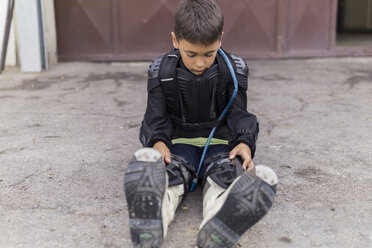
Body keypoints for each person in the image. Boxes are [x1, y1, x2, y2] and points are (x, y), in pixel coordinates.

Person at [124, 0, 278, 247]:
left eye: (209, 54)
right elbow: (155, 117)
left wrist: (244, 144)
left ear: (220, 40)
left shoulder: (234, 70)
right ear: (175, 40)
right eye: (190, 54)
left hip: (220, 145)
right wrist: (157, 141)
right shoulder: (160, 71)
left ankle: (220, 222)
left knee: (226, 175)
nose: (199, 63)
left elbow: (240, 115)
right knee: (169, 174)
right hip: (177, 145)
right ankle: (152, 215)